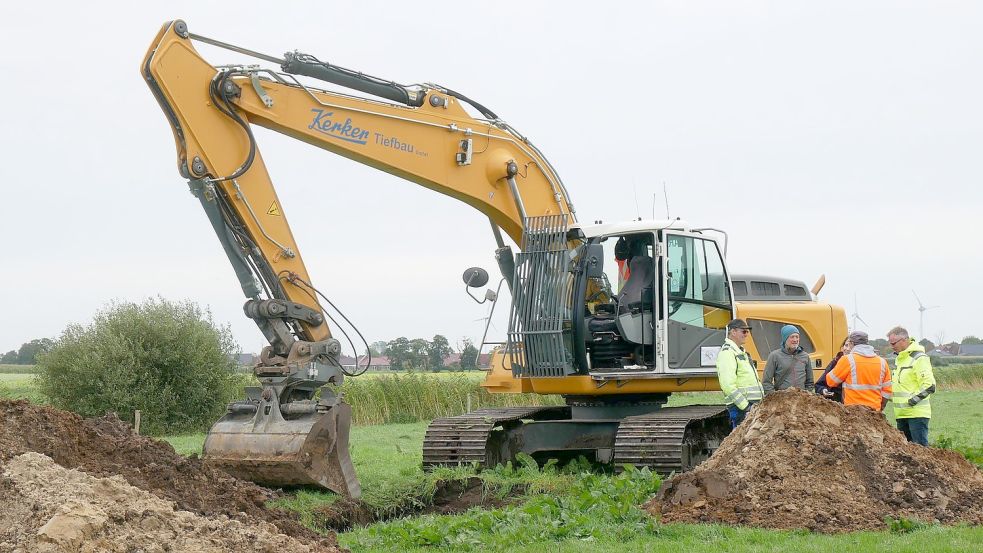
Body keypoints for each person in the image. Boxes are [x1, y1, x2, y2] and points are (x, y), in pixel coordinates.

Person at [888, 326, 936, 446]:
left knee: (920, 452)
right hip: (901, 414)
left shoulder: (919, 358)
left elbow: (929, 385)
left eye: (893, 343)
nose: (891, 346)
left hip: (916, 415)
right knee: (906, 454)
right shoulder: (900, 359)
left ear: (904, 340)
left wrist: (911, 401)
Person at [823, 331, 892, 411]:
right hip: (874, 412)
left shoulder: (847, 360)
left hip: (853, 412)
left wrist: (836, 363)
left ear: (851, 343)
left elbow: (831, 381)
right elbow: (887, 392)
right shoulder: (882, 362)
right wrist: (880, 407)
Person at [716, 318, 764, 429]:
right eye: (744, 331)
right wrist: (746, 407)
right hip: (742, 408)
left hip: (751, 406)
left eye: (747, 331)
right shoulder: (728, 353)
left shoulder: (739, 352)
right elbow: (728, 385)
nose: (746, 334)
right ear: (733, 332)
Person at [762, 324, 814, 394]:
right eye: (792, 337)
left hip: (801, 400)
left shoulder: (805, 356)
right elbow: (766, 382)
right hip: (782, 401)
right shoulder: (774, 356)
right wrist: (775, 398)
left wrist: (807, 396)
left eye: (797, 337)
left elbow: (810, 382)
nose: (795, 340)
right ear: (785, 339)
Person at [815, 337, 850, 402]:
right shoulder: (835, 362)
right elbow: (820, 384)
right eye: (846, 345)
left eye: (851, 346)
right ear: (842, 347)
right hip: (836, 405)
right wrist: (824, 391)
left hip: (855, 407)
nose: (847, 349)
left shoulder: (860, 365)